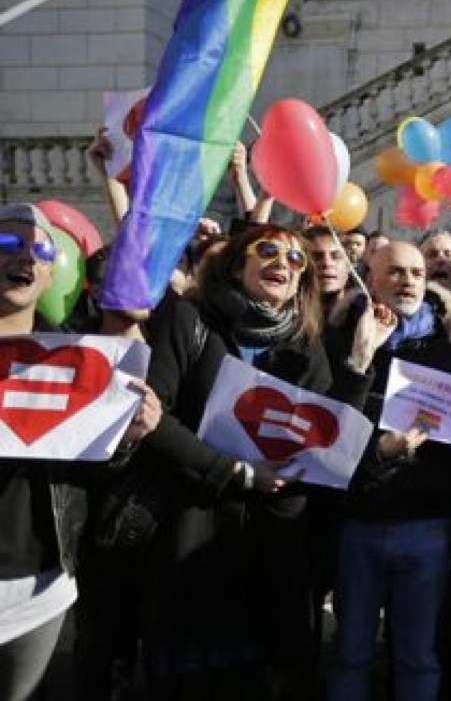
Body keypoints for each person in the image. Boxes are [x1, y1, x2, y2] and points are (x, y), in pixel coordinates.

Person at [136, 224, 386, 700]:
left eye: (296, 261)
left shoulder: (305, 341)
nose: (283, 263)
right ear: (236, 262)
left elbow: (327, 442)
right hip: (194, 536)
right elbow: (151, 419)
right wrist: (235, 472)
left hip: (273, 550)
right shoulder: (188, 320)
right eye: (268, 250)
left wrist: (358, 364)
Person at [0, 203, 161, 701]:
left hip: (41, 583)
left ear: (51, 274)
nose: (25, 255)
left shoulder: (81, 360)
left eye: (40, 248)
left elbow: (92, 474)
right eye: (9, 243)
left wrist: (124, 440)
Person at [329, 242, 451, 701]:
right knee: (350, 651)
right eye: (395, 272)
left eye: (417, 273)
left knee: (419, 657)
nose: (408, 282)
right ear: (370, 277)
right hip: (357, 525)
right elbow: (326, 430)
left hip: (429, 529)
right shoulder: (339, 332)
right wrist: (360, 359)